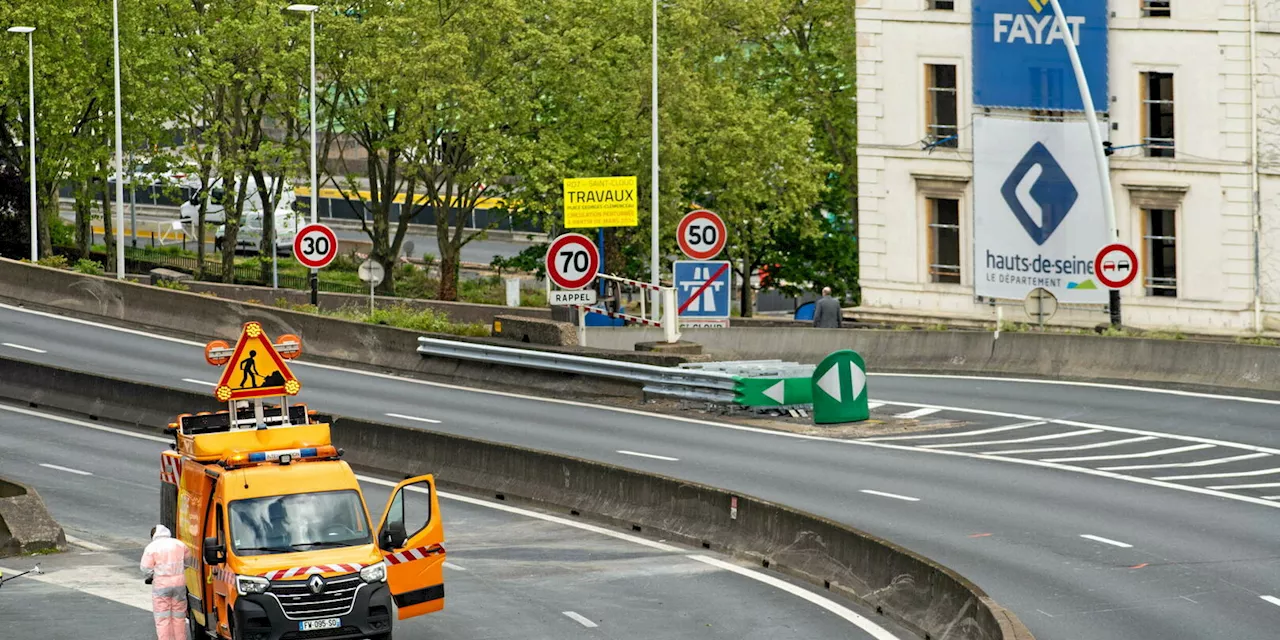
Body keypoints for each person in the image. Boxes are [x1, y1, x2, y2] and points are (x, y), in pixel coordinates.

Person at [140, 524, 190, 640]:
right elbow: (188, 561)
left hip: (161, 586)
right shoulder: (179, 544)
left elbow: (145, 568)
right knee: (179, 616)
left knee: (162, 617)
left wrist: (153, 575)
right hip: (179, 584)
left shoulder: (152, 547)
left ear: (153, 536)